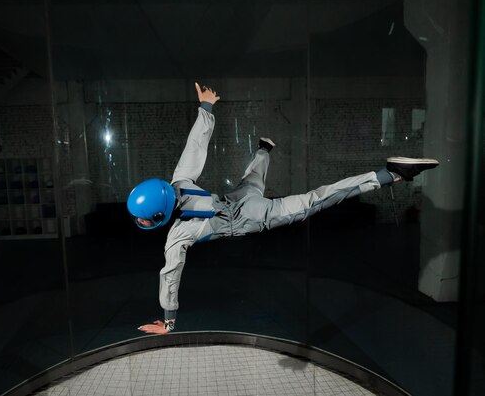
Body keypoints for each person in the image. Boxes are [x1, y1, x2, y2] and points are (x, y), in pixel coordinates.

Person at [128, 82, 439, 334]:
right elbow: (196, 145)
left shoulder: (178, 236)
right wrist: (206, 107)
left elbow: (170, 275)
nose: (139, 223)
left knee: (312, 200)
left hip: (249, 216)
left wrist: (169, 321)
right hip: (237, 199)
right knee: (252, 180)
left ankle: (392, 174)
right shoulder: (178, 181)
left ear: (160, 215)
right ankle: (265, 149)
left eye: (143, 219)